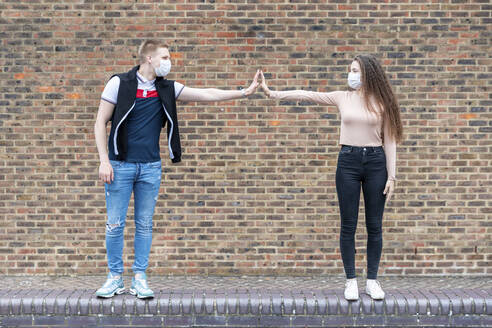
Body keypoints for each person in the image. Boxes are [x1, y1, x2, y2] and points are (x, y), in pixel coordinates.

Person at [94, 40, 260, 298]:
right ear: (149, 58)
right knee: (114, 224)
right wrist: (104, 160)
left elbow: (207, 94)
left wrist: (243, 92)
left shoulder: (167, 88)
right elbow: (100, 122)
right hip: (119, 166)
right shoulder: (120, 83)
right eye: (165, 57)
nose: (168, 62)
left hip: (150, 167)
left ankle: (139, 278)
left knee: (145, 224)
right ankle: (114, 278)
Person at [259, 54, 403, 301]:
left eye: (355, 70)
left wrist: (393, 176)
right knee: (348, 224)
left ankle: (372, 281)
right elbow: (308, 94)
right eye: (351, 70)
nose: (352, 75)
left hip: (376, 163)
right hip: (347, 161)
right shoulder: (342, 97)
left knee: (374, 225)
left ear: (368, 73)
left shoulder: (382, 101)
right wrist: (274, 93)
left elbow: (390, 139)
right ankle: (350, 281)